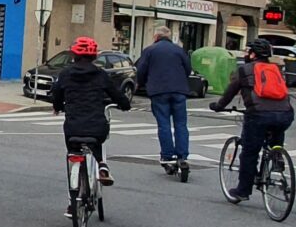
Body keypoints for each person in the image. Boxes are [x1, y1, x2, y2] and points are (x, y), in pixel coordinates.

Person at [215, 36, 296, 206]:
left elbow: (230, 92)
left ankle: (242, 191)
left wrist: (218, 105)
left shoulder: (244, 70)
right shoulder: (275, 69)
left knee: (250, 152)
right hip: (285, 114)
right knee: (276, 130)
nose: (246, 54)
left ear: (252, 54)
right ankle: (277, 157)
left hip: (258, 115)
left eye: (248, 51)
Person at [44, 37, 120, 186]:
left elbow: (56, 94)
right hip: (96, 126)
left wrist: (58, 107)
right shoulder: (101, 74)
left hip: (73, 127)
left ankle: (73, 202)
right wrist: (123, 105)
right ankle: (102, 165)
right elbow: (117, 95)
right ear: (94, 56)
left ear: (74, 55)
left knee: (73, 152)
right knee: (97, 140)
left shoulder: (65, 74)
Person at [133, 24, 196, 178]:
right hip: (179, 90)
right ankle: (182, 156)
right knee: (181, 124)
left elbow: (141, 71)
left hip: (159, 91)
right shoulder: (179, 50)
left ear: (156, 37)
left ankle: (168, 156)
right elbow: (188, 69)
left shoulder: (149, 51)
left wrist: (139, 84)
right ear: (169, 37)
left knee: (164, 124)